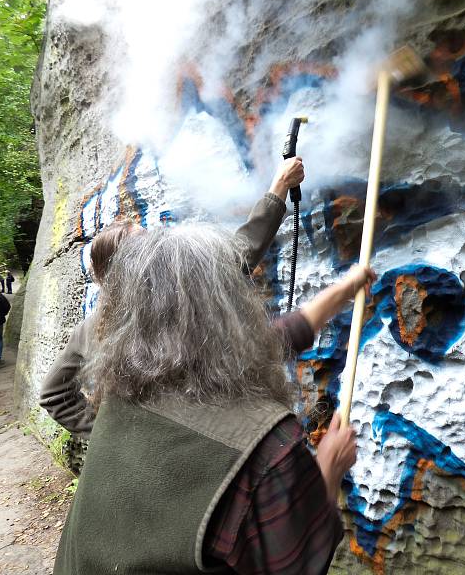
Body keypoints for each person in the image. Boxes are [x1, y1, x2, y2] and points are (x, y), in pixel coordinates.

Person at [53, 225, 374, 574]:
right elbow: (298, 562)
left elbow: (274, 339)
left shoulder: (120, 394)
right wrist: (329, 468)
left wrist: (344, 289)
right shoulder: (268, 447)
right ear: (229, 306)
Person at [40, 156, 306, 437]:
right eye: (146, 245)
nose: (158, 246)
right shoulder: (182, 299)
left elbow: (52, 394)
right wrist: (279, 184)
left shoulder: (93, 327)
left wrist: (107, 438)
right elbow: (241, 253)